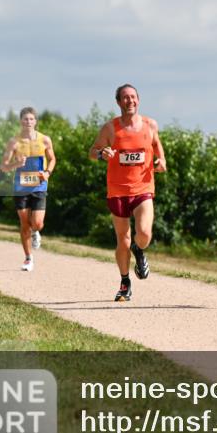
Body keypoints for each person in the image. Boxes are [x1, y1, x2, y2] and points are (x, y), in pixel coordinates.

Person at [89, 84, 167, 302]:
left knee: (144, 233)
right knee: (121, 241)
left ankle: (139, 250)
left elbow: (158, 147)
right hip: (117, 191)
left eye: (133, 97)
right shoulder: (110, 128)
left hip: (143, 188)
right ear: (118, 102)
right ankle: (125, 282)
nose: (129, 101)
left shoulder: (150, 125)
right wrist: (103, 154)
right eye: (125, 98)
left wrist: (161, 162)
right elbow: (92, 152)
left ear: (138, 100)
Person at [1, 107, 56, 272]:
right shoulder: (14, 142)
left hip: (39, 184)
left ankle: (35, 232)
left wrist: (47, 173)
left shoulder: (45, 140)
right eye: (25, 119)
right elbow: (4, 166)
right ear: (20, 121)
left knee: (37, 223)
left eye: (31, 119)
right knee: (24, 223)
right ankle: (28, 258)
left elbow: (52, 159)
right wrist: (15, 164)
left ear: (35, 121)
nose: (28, 122)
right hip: (21, 185)